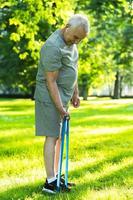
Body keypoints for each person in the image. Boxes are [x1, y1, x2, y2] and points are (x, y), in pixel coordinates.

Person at [34, 14, 90, 194]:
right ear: (67, 27)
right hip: (50, 97)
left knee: (58, 137)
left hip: (63, 96)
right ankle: (50, 182)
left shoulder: (71, 43)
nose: (77, 42)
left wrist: (75, 92)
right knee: (52, 135)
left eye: (80, 40)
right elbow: (51, 82)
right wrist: (60, 108)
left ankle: (57, 176)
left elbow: (73, 68)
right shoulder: (52, 47)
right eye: (75, 37)